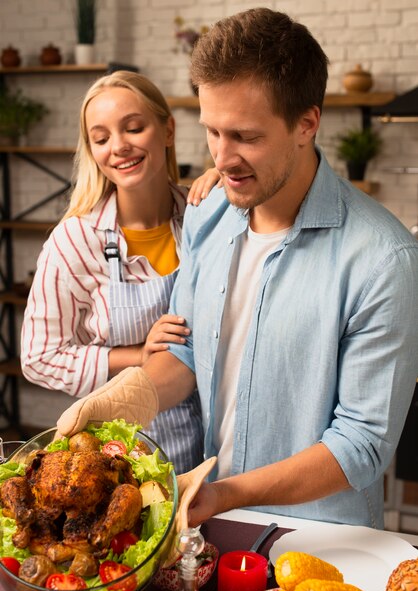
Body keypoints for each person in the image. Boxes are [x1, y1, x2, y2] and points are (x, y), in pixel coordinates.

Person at [57, 10, 418, 529]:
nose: (222, 158)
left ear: (306, 123)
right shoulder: (208, 216)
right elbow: (186, 348)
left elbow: (361, 444)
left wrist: (223, 494)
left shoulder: (383, 260)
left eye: (245, 137)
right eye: (212, 132)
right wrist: (125, 398)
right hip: (213, 524)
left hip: (321, 542)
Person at [21, 70, 220, 474]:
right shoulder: (75, 240)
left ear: (167, 129)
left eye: (133, 128)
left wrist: (227, 178)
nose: (119, 147)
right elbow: (38, 357)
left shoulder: (205, 216)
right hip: (124, 450)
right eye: (101, 138)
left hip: (217, 442)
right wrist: (136, 355)